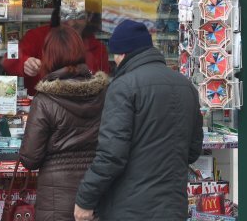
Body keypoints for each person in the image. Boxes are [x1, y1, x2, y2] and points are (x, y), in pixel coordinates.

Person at [74, 20, 203, 221]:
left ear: (123, 54)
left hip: (131, 209)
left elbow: (111, 155)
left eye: (115, 55)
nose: (114, 61)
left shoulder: (123, 87)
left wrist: (85, 199)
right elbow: (193, 151)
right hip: (173, 208)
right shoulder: (186, 87)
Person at [19, 26, 109, 221]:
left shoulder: (45, 100)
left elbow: (30, 158)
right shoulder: (104, 95)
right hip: (95, 197)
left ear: (49, 56)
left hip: (55, 202)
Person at [1, 2, 110, 95]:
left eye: (79, 15)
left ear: (89, 17)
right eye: (66, 15)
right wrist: (25, 62)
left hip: (82, 113)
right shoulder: (37, 36)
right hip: (42, 109)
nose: (71, 22)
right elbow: (8, 59)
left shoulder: (98, 49)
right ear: (58, 14)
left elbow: (102, 88)